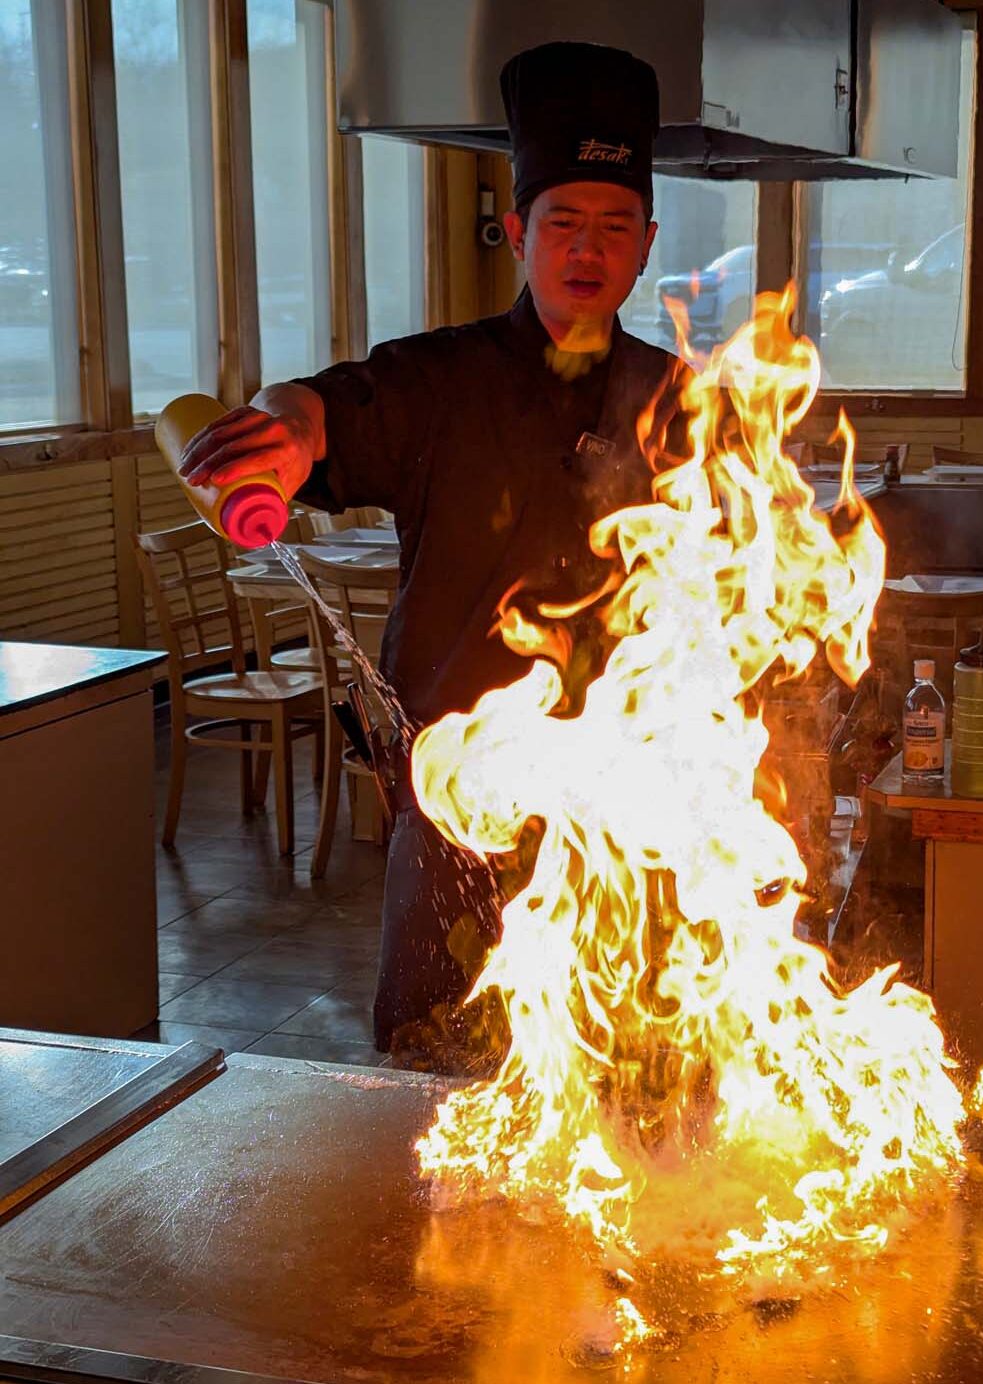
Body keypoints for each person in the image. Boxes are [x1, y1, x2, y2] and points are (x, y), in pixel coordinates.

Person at [178, 41, 685, 1060]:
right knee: (427, 1077)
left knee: (635, 1099)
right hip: (457, 814)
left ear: (645, 244)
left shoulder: (685, 402)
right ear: (517, 234)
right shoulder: (438, 380)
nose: (587, 251)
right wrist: (278, 431)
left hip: (628, 818)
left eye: (614, 227)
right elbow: (318, 411)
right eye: (564, 224)